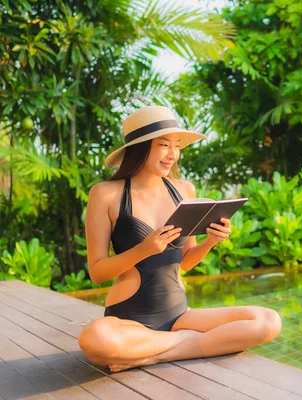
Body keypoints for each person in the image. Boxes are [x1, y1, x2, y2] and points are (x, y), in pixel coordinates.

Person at [78, 106, 282, 373]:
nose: (173, 154)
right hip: (129, 321)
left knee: (267, 320)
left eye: (176, 146)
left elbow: (184, 263)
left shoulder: (184, 190)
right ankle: (186, 344)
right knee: (95, 339)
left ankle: (157, 354)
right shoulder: (105, 194)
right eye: (164, 145)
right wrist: (144, 249)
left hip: (180, 317)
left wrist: (210, 241)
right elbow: (97, 272)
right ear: (140, 149)